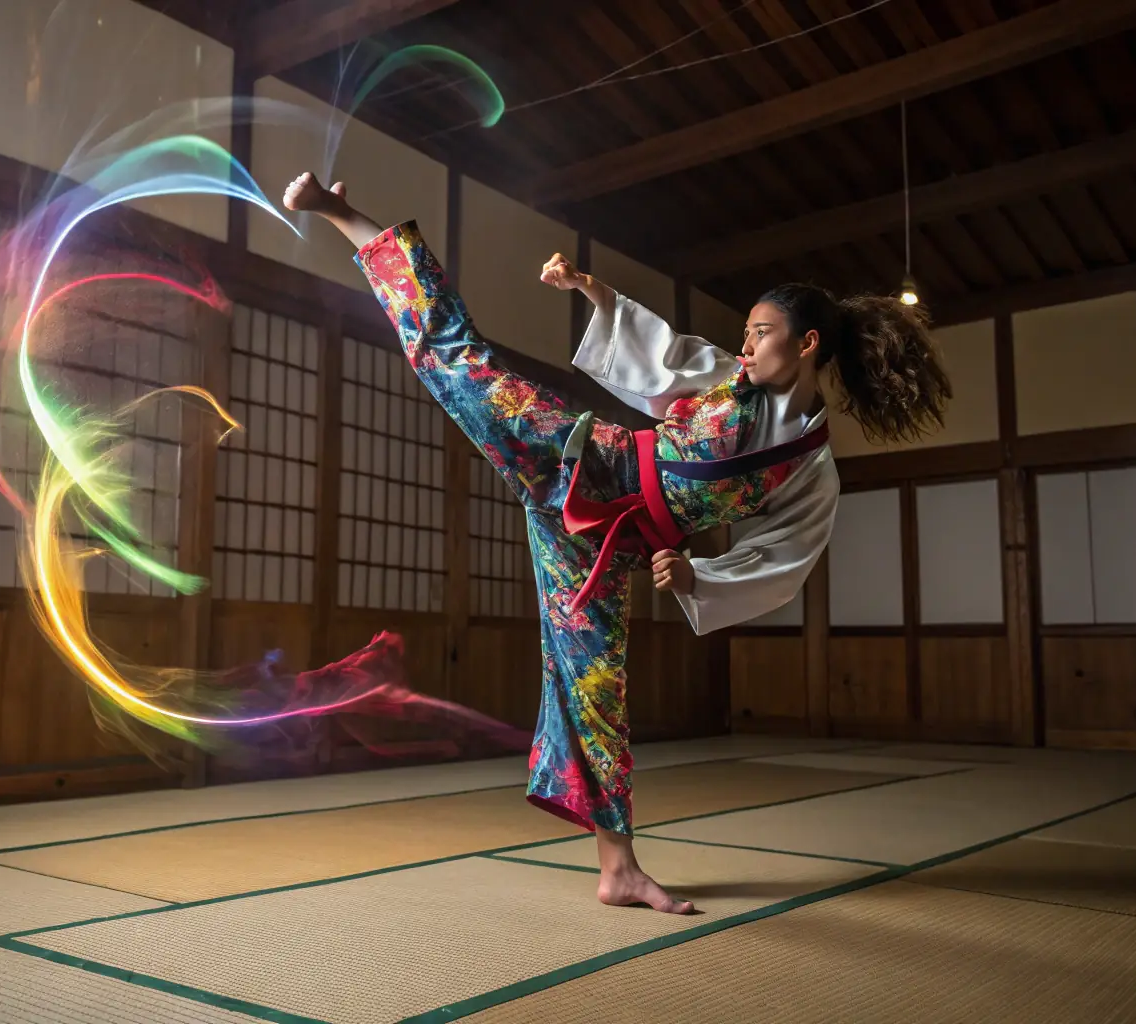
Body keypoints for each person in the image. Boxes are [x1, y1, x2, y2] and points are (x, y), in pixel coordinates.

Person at [283, 172, 951, 914]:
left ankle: (619, 869)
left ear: (807, 343)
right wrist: (592, 293)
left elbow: (784, 558)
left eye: (759, 331)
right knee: (455, 357)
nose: (746, 341)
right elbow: (654, 355)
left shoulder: (811, 467)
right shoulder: (726, 380)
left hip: (607, 547)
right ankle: (343, 213)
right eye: (749, 330)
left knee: (595, 694)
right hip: (578, 460)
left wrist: (697, 575)